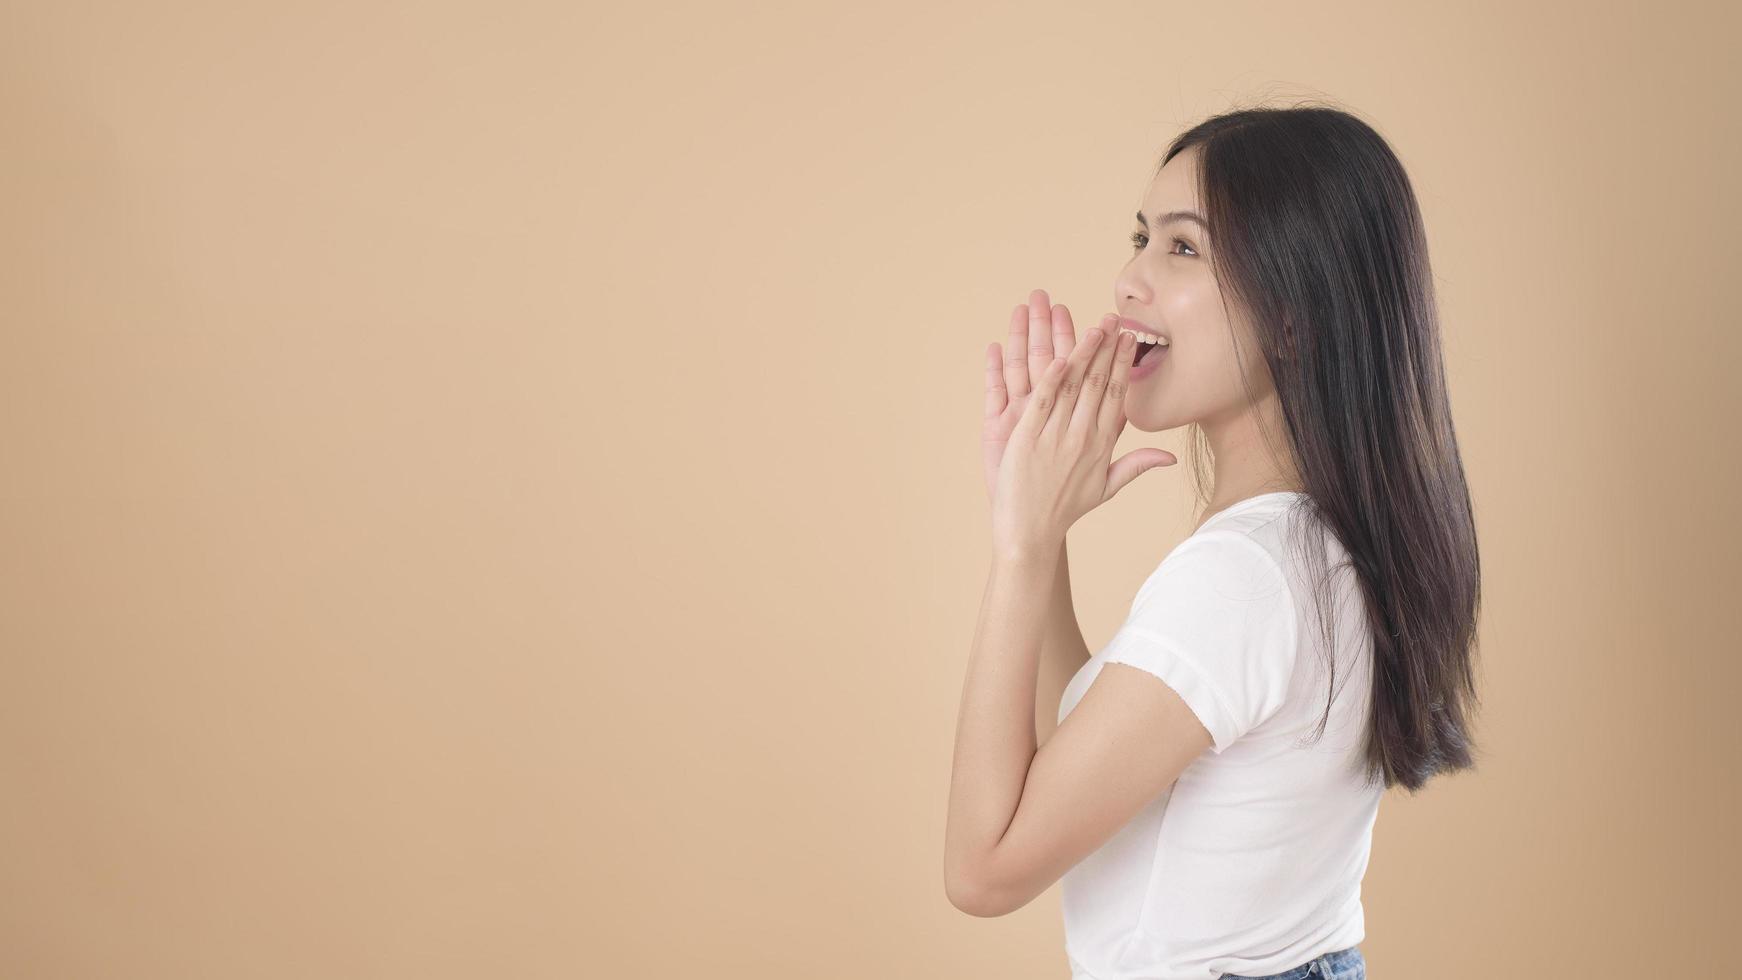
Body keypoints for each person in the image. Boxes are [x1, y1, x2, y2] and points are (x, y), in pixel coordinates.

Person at [945, 104, 1483, 980]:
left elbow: (982, 869)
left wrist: (1017, 549)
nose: (1128, 279)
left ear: (1294, 316)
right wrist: (1035, 530)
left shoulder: (1244, 577)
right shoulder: (1316, 548)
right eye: (1141, 237)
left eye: (1183, 247)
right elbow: (1087, 772)